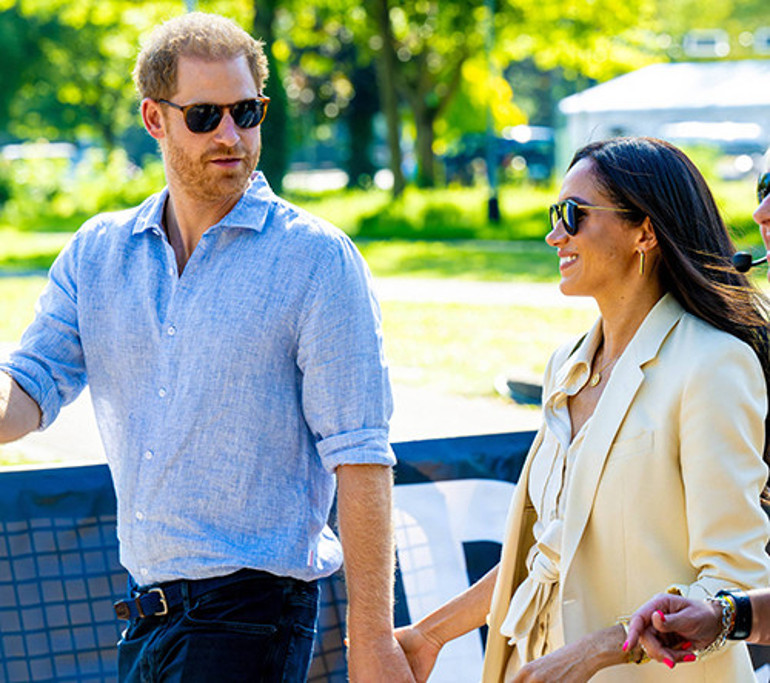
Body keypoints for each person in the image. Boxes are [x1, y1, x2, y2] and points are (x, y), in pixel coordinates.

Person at [0, 12, 414, 683]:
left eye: (247, 112)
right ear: (155, 119)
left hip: (254, 613)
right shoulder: (98, 252)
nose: (232, 135)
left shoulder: (316, 258)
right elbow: (26, 391)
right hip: (144, 614)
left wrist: (372, 639)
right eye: (205, 116)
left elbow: (361, 452)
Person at [394, 137, 770, 682]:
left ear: (645, 231)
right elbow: (551, 551)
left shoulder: (714, 364)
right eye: (555, 214)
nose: (555, 235)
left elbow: (730, 585)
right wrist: (429, 634)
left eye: (573, 215)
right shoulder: (566, 365)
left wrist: (598, 651)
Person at [613, 163, 770, 671]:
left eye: (574, 215)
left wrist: (726, 612)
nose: (761, 211)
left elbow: (735, 575)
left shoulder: (719, 364)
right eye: (764, 188)